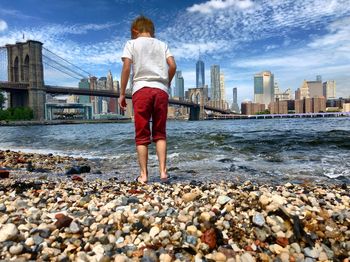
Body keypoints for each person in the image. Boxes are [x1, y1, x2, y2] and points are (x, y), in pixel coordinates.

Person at [118, 15, 177, 184]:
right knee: (160, 134)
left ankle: (144, 175)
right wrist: (166, 82)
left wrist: (122, 93)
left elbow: (126, 67)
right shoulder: (162, 44)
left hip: (141, 90)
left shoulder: (131, 44)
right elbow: (172, 65)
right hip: (161, 91)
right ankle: (163, 173)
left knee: (142, 133)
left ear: (135, 31)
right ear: (151, 31)